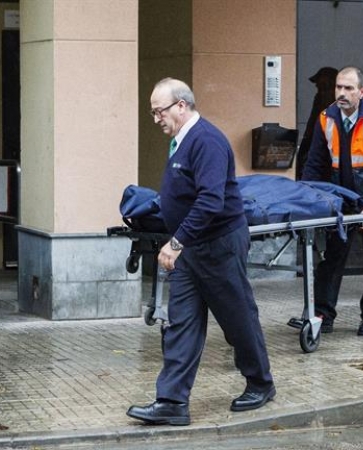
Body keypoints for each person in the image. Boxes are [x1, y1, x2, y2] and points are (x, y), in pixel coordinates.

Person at [127, 78, 275, 426]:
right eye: (152, 112)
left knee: (237, 317)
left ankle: (260, 383)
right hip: (192, 247)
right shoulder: (182, 141)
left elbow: (211, 200)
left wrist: (176, 242)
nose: (156, 118)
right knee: (182, 322)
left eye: (158, 111)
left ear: (181, 105)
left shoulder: (206, 140)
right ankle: (172, 401)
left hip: (218, 244)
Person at [301, 66, 363, 336]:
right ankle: (323, 314)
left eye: (348, 88)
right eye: (339, 87)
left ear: (361, 92)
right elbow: (315, 163)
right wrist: (308, 197)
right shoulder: (326, 118)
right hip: (342, 198)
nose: (341, 93)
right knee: (333, 257)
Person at [296, 66, 338, 180]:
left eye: (321, 86)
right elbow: (311, 128)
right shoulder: (320, 100)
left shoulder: (335, 106)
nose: (319, 89)